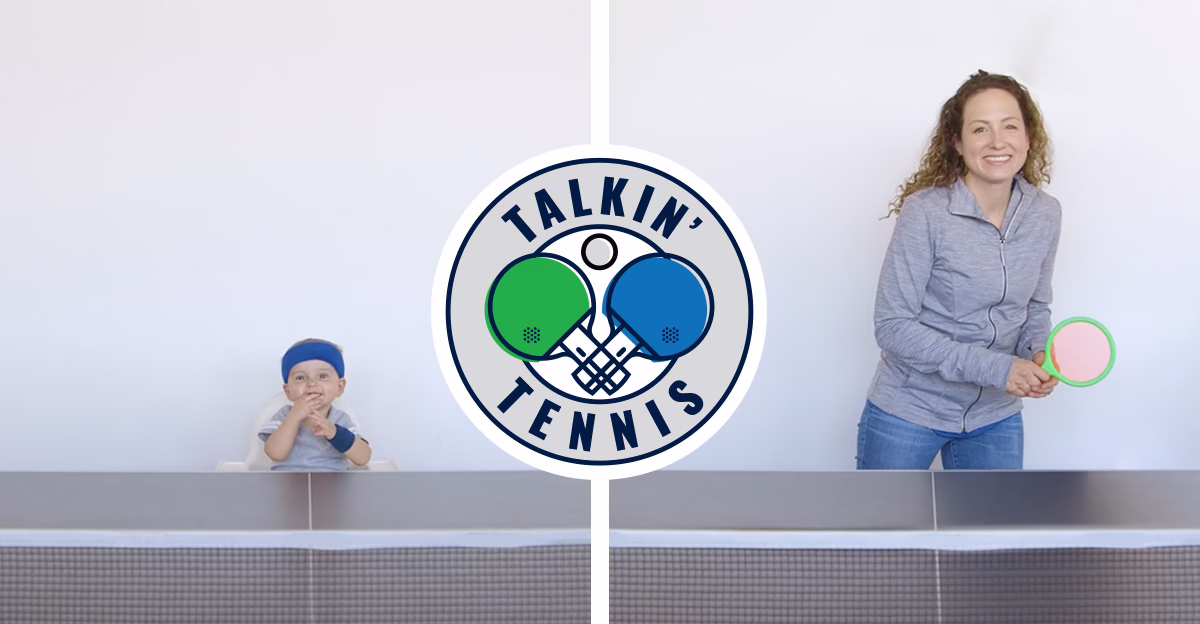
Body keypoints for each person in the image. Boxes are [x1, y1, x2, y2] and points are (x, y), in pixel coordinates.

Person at [858, 70, 1062, 470]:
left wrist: (1037, 353)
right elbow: (893, 325)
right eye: (980, 129)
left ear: (1028, 138)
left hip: (995, 417)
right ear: (957, 142)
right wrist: (999, 368)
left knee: (991, 532)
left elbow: (1035, 307)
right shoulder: (925, 214)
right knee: (885, 533)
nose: (997, 141)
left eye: (1009, 127)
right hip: (908, 408)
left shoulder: (1045, 214)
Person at [260, 338, 371, 470]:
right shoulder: (284, 416)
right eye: (301, 377)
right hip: (288, 481)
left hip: (333, 483)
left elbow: (363, 458)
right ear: (288, 391)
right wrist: (294, 417)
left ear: (339, 387)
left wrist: (335, 433)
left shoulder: (340, 419)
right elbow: (275, 454)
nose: (312, 383)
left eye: (322, 376)